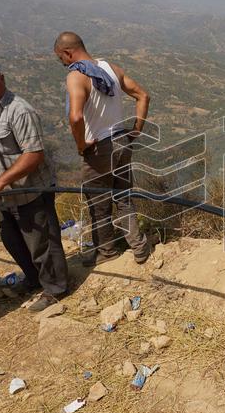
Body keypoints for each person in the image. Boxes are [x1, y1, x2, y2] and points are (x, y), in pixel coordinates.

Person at [0, 58, 68, 311]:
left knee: (41, 242)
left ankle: (55, 288)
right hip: (0, 196)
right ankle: (33, 280)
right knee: (13, 240)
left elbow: (33, 154)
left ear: (1, 79)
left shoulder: (19, 110)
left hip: (28, 192)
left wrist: (0, 182)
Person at [53, 31, 152, 267]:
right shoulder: (112, 68)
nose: (63, 63)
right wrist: (136, 130)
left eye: (61, 59)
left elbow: (76, 117)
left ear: (68, 52)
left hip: (99, 147)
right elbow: (143, 96)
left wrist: (81, 144)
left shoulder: (76, 76)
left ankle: (107, 252)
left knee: (98, 204)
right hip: (122, 141)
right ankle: (139, 247)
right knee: (124, 197)